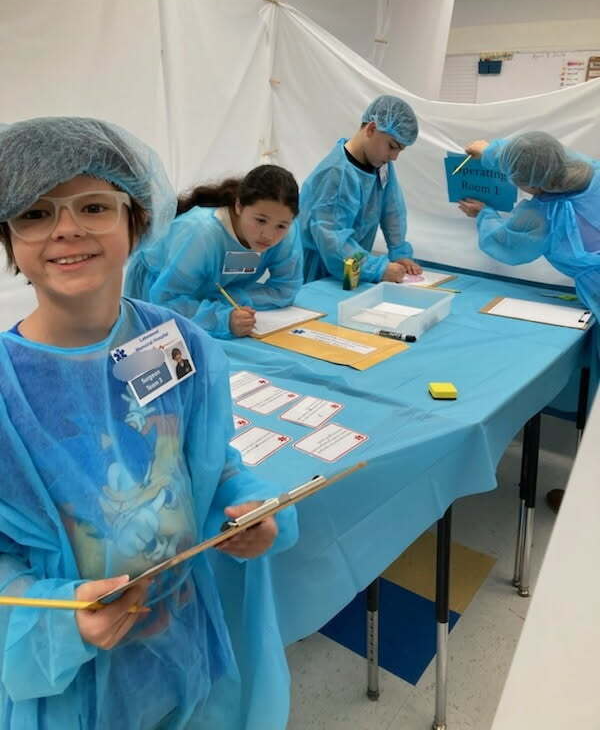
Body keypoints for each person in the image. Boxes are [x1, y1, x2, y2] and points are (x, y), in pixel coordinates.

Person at [0, 117, 298, 729]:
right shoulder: (7, 386)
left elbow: (209, 466)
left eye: (92, 206)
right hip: (74, 685)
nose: (66, 230)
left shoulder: (169, 341)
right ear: (8, 239)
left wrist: (252, 514)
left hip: (184, 641)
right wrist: (58, 617)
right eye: (34, 213)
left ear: (136, 219)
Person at [457, 131, 600, 514]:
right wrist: (489, 150)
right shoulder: (588, 170)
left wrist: (483, 213)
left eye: (517, 179)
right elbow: (538, 157)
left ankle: (588, 507)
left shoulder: (546, 213)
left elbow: (505, 243)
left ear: (533, 184)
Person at [124, 165, 303, 339]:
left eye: (281, 226)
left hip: (205, 301)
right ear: (239, 206)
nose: (268, 236)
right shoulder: (200, 233)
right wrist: (222, 318)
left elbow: (285, 289)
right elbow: (166, 299)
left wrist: (228, 301)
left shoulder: (287, 232)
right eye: (260, 220)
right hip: (160, 291)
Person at [299, 94, 422, 284]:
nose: (394, 156)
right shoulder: (337, 174)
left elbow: (392, 209)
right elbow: (333, 242)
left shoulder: (380, 164)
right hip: (322, 270)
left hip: (353, 267)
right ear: (372, 128)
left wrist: (398, 252)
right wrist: (378, 268)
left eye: (399, 150)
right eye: (392, 146)